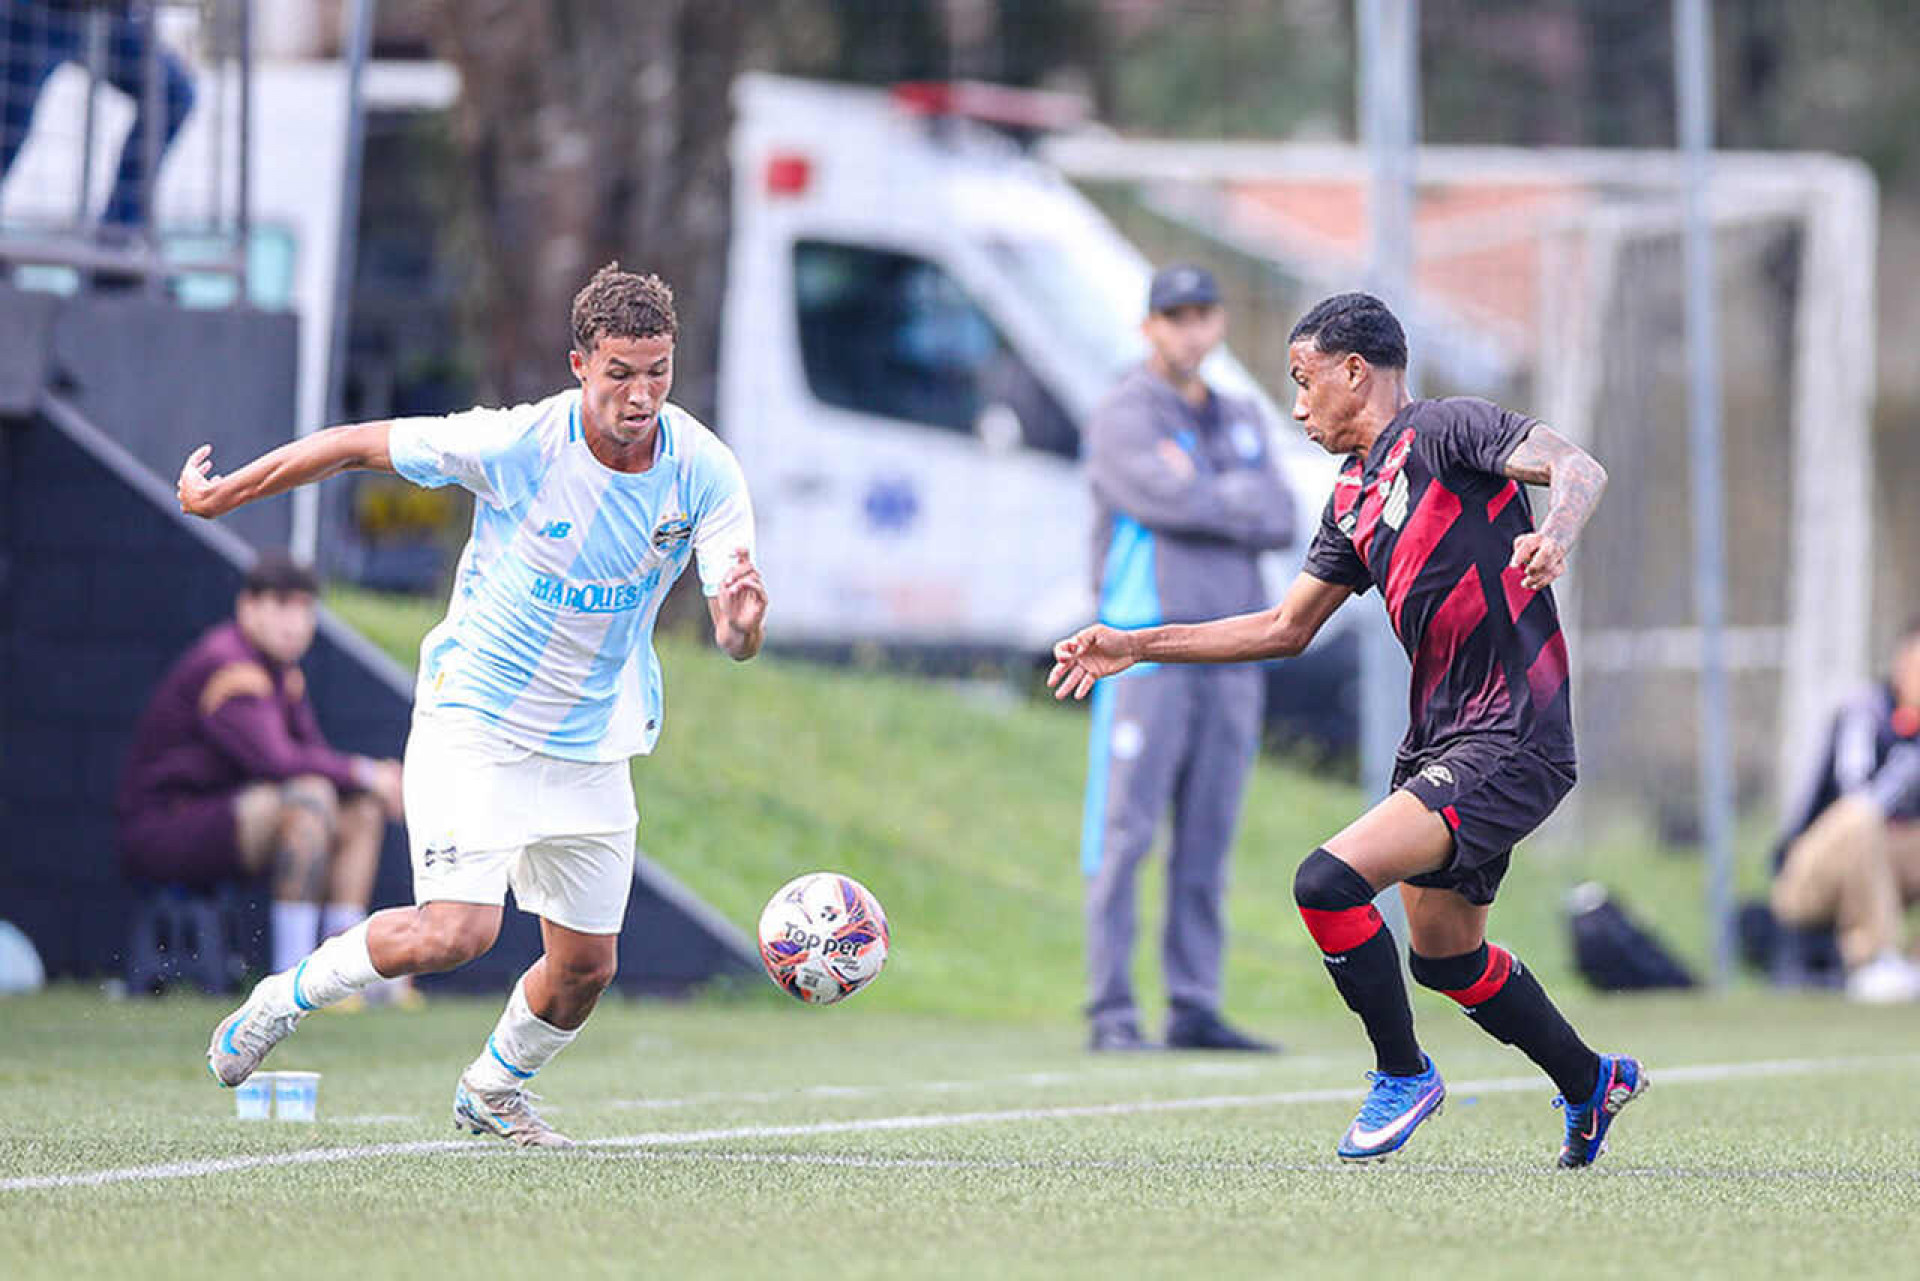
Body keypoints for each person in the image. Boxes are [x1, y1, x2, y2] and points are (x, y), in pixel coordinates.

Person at [1050, 292, 1645, 1167]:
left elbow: (1575, 465)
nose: (1297, 406)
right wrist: (1136, 644)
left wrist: (1555, 533)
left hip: (1514, 730)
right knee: (1445, 958)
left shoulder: (1445, 430)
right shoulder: (1353, 498)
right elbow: (1282, 627)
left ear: (1355, 372)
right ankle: (1592, 1079)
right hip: (1442, 738)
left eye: (1305, 380)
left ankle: (1403, 1074)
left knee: (1326, 882)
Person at [185, 263, 768, 1148]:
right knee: (454, 931)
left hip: (592, 740)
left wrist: (742, 627)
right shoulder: (517, 444)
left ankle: (494, 1088)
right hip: (477, 722)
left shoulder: (706, 470)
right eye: (620, 372)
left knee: (585, 967)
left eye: (658, 371)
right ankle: (280, 999)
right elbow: (352, 444)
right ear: (580, 364)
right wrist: (226, 494)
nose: (641, 394)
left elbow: (734, 627)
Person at [1079, 263, 1294, 1053]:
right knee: (1125, 834)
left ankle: (1194, 1004)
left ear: (1219, 322)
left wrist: (1206, 492)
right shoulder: (1123, 411)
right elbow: (1159, 499)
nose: (1190, 329)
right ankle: (1111, 1009)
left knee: (1209, 836)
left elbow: (1282, 514)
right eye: (1175, 316)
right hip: (1143, 649)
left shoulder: (1240, 411)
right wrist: (1230, 494)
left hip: (1234, 651)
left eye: (1203, 313)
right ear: (1149, 326)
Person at [116, 551, 405, 981]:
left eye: (305, 608)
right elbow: (277, 760)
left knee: (361, 809)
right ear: (248, 607)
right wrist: (368, 773)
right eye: (281, 605)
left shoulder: (283, 673)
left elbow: (314, 755)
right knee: (310, 798)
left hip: (226, 818)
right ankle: (294, 976)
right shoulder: (229, 664)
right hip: (165, 827)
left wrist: (371, 785)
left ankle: (345, 975)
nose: (295, 622)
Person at [1769, 618, 1920, 1003]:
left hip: (1886, 869)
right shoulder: (1866, 711)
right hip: (1811, 871)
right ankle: (1874, 958)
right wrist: (1907, 766)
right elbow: (1858, 795)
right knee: (1861, 817)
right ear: (1902, 663)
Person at [1, 2, 196, 235]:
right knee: (9, 123)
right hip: (31, 13)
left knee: (171, 94)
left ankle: (119, 233)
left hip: (105, 16)